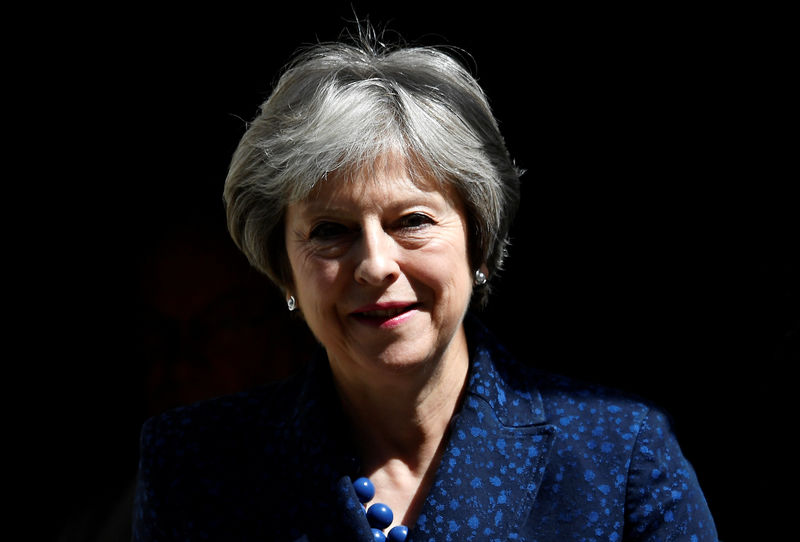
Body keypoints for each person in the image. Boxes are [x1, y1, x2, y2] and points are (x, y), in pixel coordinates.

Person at [132, 28, 719, 541]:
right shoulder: (195, 466)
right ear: (284, 267)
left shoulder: (618, 456)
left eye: (411, 220)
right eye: (330, 231)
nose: (375, 265)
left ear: (478, 241)